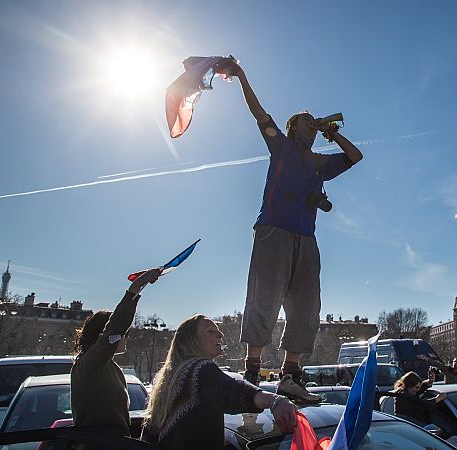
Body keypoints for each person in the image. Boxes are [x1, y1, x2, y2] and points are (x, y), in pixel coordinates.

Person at [216, 58, 363, 402]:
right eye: (306, 121)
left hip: (306, 238)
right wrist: (241, 76)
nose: (312, 124)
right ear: (294, 128)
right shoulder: (280, 146)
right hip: (273, 231)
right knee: (264, 298)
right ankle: (252, 371)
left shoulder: (321, 163)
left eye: (315, 123)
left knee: (306, 305)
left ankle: (290, 375)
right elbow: (259, 113)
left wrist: (334, 133)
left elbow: (355, 157)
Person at [141, 314, 297, 450]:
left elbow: (148, 436)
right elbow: (232, 391)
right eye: (211, 331)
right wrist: (275, 401)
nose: (221, 335)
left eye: (218, 330)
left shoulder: (167, 381)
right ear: (191, 341)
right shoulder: (200, 368)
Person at [71, 268, 162, 437]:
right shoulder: (90, 364)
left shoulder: (106, 365)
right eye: (124, 334)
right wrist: (139, 284)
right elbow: (116, 326)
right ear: (102, 336)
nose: (126, 338)